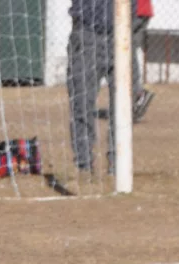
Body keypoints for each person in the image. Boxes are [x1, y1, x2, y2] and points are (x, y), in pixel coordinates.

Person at [67, 0, 114, 173]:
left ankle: (118, 163)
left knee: (124, 105)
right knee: (82, 101)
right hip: (87, 31)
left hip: (122, 33)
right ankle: (84, 164)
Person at [132, 0, 154, 122]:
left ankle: (137, 94)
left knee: (126, 50)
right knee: (129, 50)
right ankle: (137, 94)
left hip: (134, 10)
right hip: (143, 9)